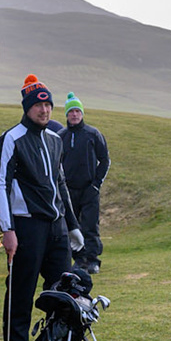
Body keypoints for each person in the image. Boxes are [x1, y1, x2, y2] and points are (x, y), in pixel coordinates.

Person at [0, 77, 84, 341]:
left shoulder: (55, 139)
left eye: (47, 105)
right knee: (20, 295)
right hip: (26, 227)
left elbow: (61, 185)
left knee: (64, 296)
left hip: (56, 228)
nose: (44, 110)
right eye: (38, 105)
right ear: (27, 107)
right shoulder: (12, 138)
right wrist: (7, 229)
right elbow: (1, 185)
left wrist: (72, 225)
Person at [60, 93, 110, 274]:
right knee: (72, 227)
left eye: (77, 111)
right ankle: (78, 260)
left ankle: (93, 260)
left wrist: (96, 184)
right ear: (66, 115)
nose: (74, 115)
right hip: (68, 190)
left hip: (89, 189)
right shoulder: (61, 136)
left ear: (82, 113)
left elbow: (104, 160)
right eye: (71, 111)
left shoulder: (93, 134)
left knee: (90, 226)